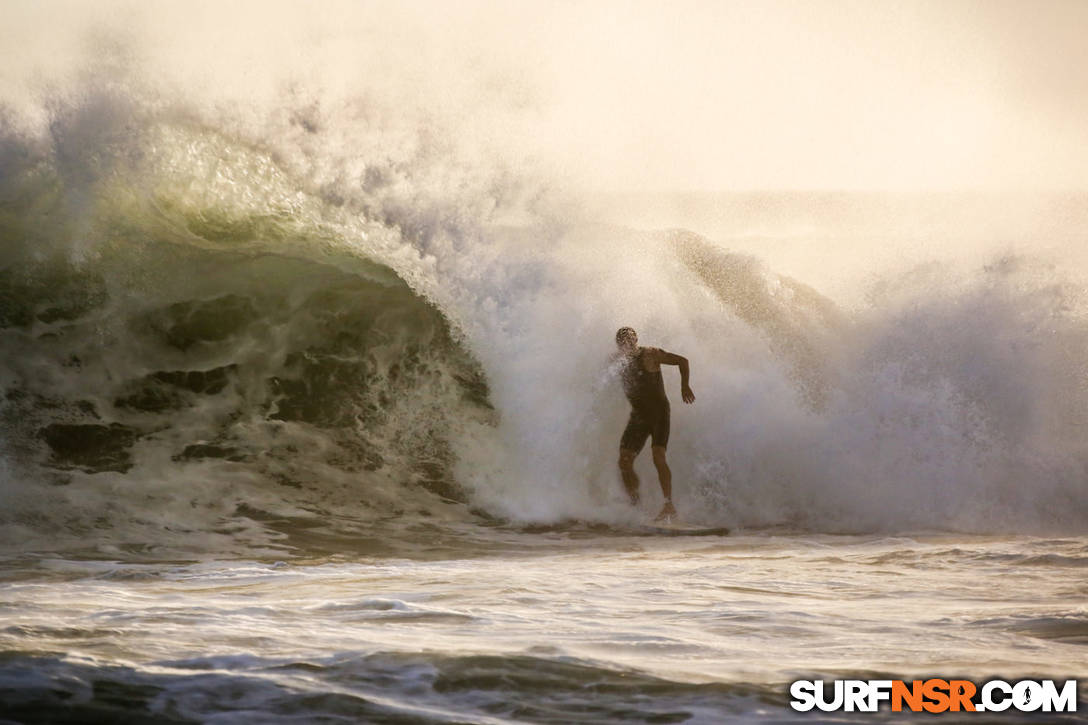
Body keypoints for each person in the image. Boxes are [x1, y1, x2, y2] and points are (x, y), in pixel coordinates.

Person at [613, 327, 695, 521]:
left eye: (630, 342)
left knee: (658, 456)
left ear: (635, 341)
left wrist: (684, 385)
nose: (627, 346)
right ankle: (635, 505)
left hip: (659, 414)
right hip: (638, 417)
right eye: (622, 343)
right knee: (624, 461)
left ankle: (668, 505)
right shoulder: (616, 361)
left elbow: (682, 361)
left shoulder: (650, 354)